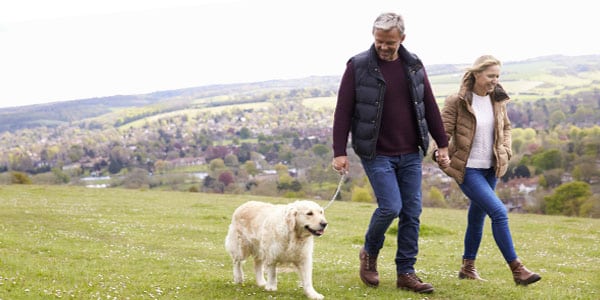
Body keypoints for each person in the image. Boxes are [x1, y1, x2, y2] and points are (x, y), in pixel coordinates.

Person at [331, 12, 449, 294]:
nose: (384, 47)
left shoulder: (413, 65)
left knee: (412, 212)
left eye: (390, 43)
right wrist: (339, 151)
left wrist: (442, 143)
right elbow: (343, 111)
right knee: (391, 207)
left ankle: (406, 273)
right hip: (376, 152)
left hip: (410, 152)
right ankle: (369, 254)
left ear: (402, 39)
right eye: (379, 41)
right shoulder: (358, 65)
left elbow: (429, 105)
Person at [433, 55, 541, 285]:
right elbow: (442, 132)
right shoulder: (458, 101)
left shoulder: (497, 100)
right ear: (476, 74)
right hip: (467, 169)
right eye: (491, 75)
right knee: (499, 213)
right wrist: (439, 152)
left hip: (491, 168)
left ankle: (467, 268)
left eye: (497, 76)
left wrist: (506, 151)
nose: (495, 81)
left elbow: (507, 128)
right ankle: (517, 269)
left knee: (476, 217)